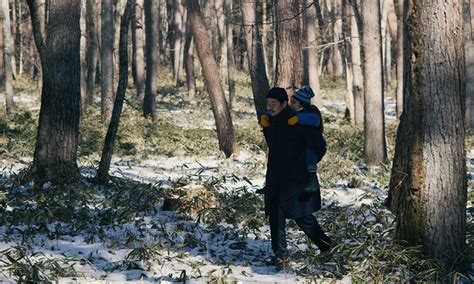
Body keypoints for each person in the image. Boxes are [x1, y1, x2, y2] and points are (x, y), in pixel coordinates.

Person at [260, 87, 332, 265]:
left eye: (274, 104)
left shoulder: (297, 122)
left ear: (285, 104)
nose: (270, 107)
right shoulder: (271, 121)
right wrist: (267, 127)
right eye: (268, 104)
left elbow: (319, 145)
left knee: (302, 216)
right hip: (276, 177)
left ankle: (326, 246)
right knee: (275, 214)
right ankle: (280, 255)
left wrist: (307, 167)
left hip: (296, 179)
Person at [290, 86, 325, 193]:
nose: (291, 104)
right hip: (297, 146)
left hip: (314, 145)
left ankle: (312, 178)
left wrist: (298, 118)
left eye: (294, 102)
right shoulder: (291, 112)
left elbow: (314, 120)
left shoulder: (312, 110)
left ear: (301, 103)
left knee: (309, 151)